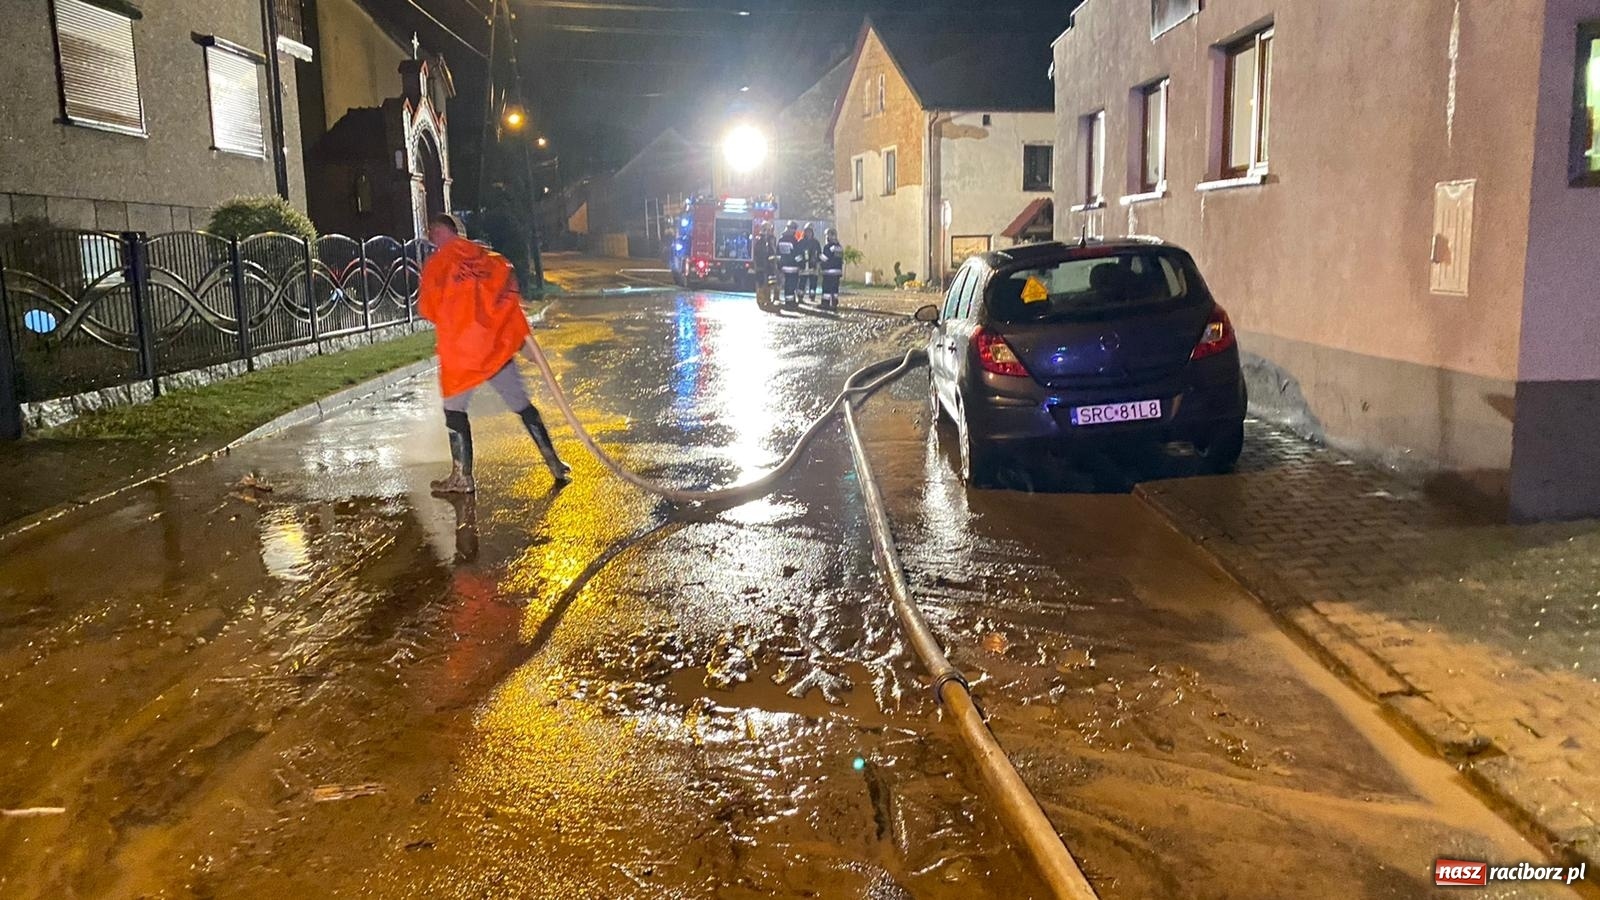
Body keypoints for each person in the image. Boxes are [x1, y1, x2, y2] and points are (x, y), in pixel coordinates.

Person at [419, 213, 571, 494]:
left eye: (432, 232)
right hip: (496, 351)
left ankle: (462, 478)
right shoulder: (489, 259)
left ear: (441, 232)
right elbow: (510, 290)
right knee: (523, 406)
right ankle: (555, 464)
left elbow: (428, 309)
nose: (431, 237)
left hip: (462, 355)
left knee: (454, 411)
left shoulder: (437, 265)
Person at [752, 221, 779, 312]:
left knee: (769, 283)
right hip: (761, 265)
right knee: (761, 283)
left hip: (770, 266)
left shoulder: (772, 239)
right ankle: (761, 299)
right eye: (766, 229)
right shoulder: (759, 240)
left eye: (769, 229)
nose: (767, 231)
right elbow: (758, 253)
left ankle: (768, 299)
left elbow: (773, 252)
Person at [776, 220, 801, 310]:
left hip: (784, 267)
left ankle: (789, 301)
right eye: (794, 229)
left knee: (787, 285)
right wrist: (801, 264)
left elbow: (778, 254)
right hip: (793, 267)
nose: (794, 231)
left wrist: (779, 266)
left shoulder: (781, 239)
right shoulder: (793, 241)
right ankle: (790, 303)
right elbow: (797, 255)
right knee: (792, 285)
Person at [819, 228, 845, 312]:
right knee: (835, 288)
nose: (826, 237)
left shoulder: (828, 247)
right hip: (837, 271)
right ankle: (834, 303)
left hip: (829, 272)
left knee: (826, 288)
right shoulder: (839, 247)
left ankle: (825, 303)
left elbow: (825, 259)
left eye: (827, 235)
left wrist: (818, 256)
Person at [797, 224, 822, 305]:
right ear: (805, 232)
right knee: (802, 282)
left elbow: (819, 254)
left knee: (813, 282)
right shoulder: (801, 242)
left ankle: (812, 296)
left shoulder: (816, 242)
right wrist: (800, 264)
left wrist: (818, 264)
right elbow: (797, 254)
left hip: (813, 266)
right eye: (807, 231)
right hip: (803, 266)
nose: (809, 233)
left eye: (810, 231)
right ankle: (800, 297)